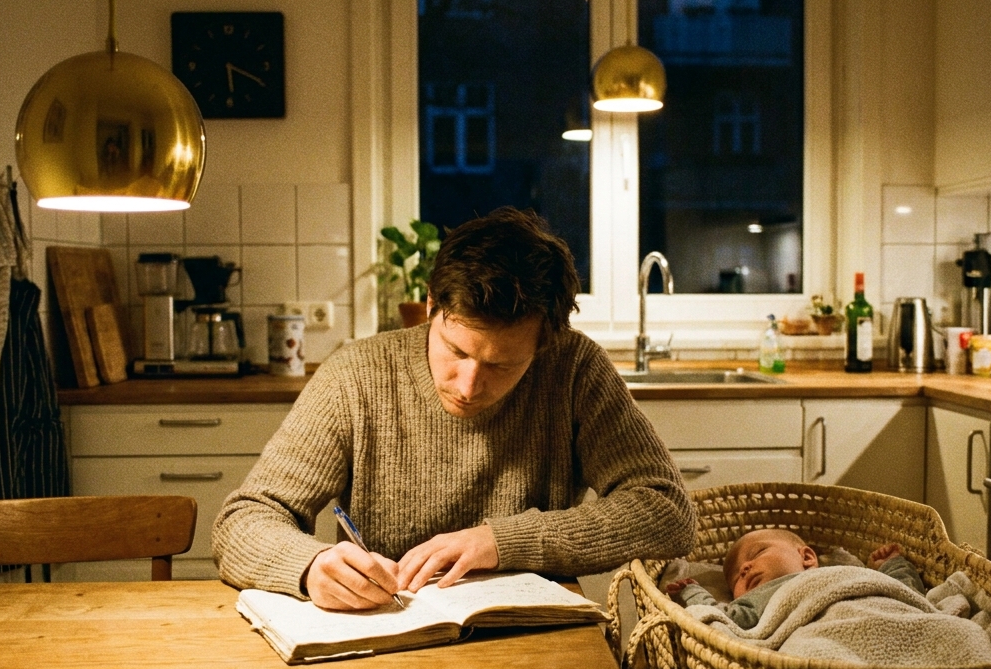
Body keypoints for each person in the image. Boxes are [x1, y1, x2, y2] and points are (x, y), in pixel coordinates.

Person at [212, 207, 695, 610]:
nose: (468, 386)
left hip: (532, 640)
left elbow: (667, 510)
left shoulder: (574, 367)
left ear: (546, 342)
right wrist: (309, 565)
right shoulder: (356, 374)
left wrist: (502, 542)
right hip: (387, 627)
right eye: (457, 351)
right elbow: (246, 518)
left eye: (502, 365)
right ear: (429, 307)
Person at [667, 529, 925, 630]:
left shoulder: (849, 575)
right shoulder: (763, 599)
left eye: (757, 553)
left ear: (808, 558)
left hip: (892, 616)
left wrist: (892, 565)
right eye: (735, 577)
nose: (744, 568)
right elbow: (727, 621)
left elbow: (905, 593)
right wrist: (696, 595)